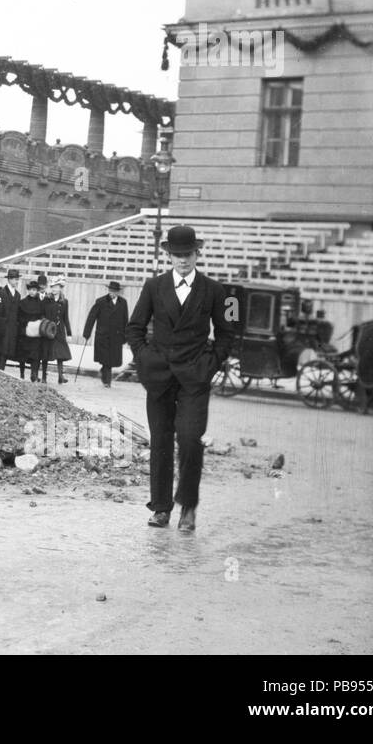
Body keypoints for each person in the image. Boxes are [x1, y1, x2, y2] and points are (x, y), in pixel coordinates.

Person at [125, 225, 236, 533]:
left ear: (197, 254)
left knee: (190, 441)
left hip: (194, 379)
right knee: (161, 442)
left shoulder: (214, 290)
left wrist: (210, 364)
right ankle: (161, 509)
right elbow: (134, 328)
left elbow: (227, 333)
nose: (183, 260)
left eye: (188, 254)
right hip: (159, 377)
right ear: (169, 256)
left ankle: (188, 508)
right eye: (177, 255)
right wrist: (146, 359)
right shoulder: (153, 286)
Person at [83, 280, 129, 387]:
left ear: (118, 292)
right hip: (103, 335)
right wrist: (87, 333)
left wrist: (126, 335)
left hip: (116, 336)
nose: (112, 293)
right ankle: (107, 382)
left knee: (111, 360)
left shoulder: (123, 303)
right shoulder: (101, 301)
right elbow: (91, 317)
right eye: (110, 291)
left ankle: (104, 372)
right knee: (106, 359)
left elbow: (125, 320)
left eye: (114, 291)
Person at [41, 277, 74, 384]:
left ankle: (60, 376)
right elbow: (42, 314)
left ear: (60, 288)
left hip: (59, 330)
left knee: (60, 354)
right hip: (48, 329)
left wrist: (69, 333)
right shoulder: (46, 299)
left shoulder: (64, 302)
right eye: (52, 287)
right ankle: (44, 377)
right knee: (46, 352)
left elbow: (66, 318)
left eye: (56, 287)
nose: (54, 289)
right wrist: (45, 324)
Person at [16, 279, 45, 382]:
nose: (32, 292)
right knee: (23, 355)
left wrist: (38, 323)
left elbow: (42, 316)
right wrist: (26, 323)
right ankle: (22, 374)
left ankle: (34, 374)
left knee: (36, 355)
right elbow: (19, 316)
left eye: (34, 290)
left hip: (36, 332)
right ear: (28, 290)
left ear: (37, 290)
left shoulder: (41, 303)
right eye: (30, 289)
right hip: (25, 331)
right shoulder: (22, 302)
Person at [0, 267, 23, 372]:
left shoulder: (17, 294)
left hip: (12, 326)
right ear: (8, 279)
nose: (15, 281)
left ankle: (2, 371)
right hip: (3, 325)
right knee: (2, 349)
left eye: (17, 279)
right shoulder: (2, 292)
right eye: (13, 279)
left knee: (9, 349)